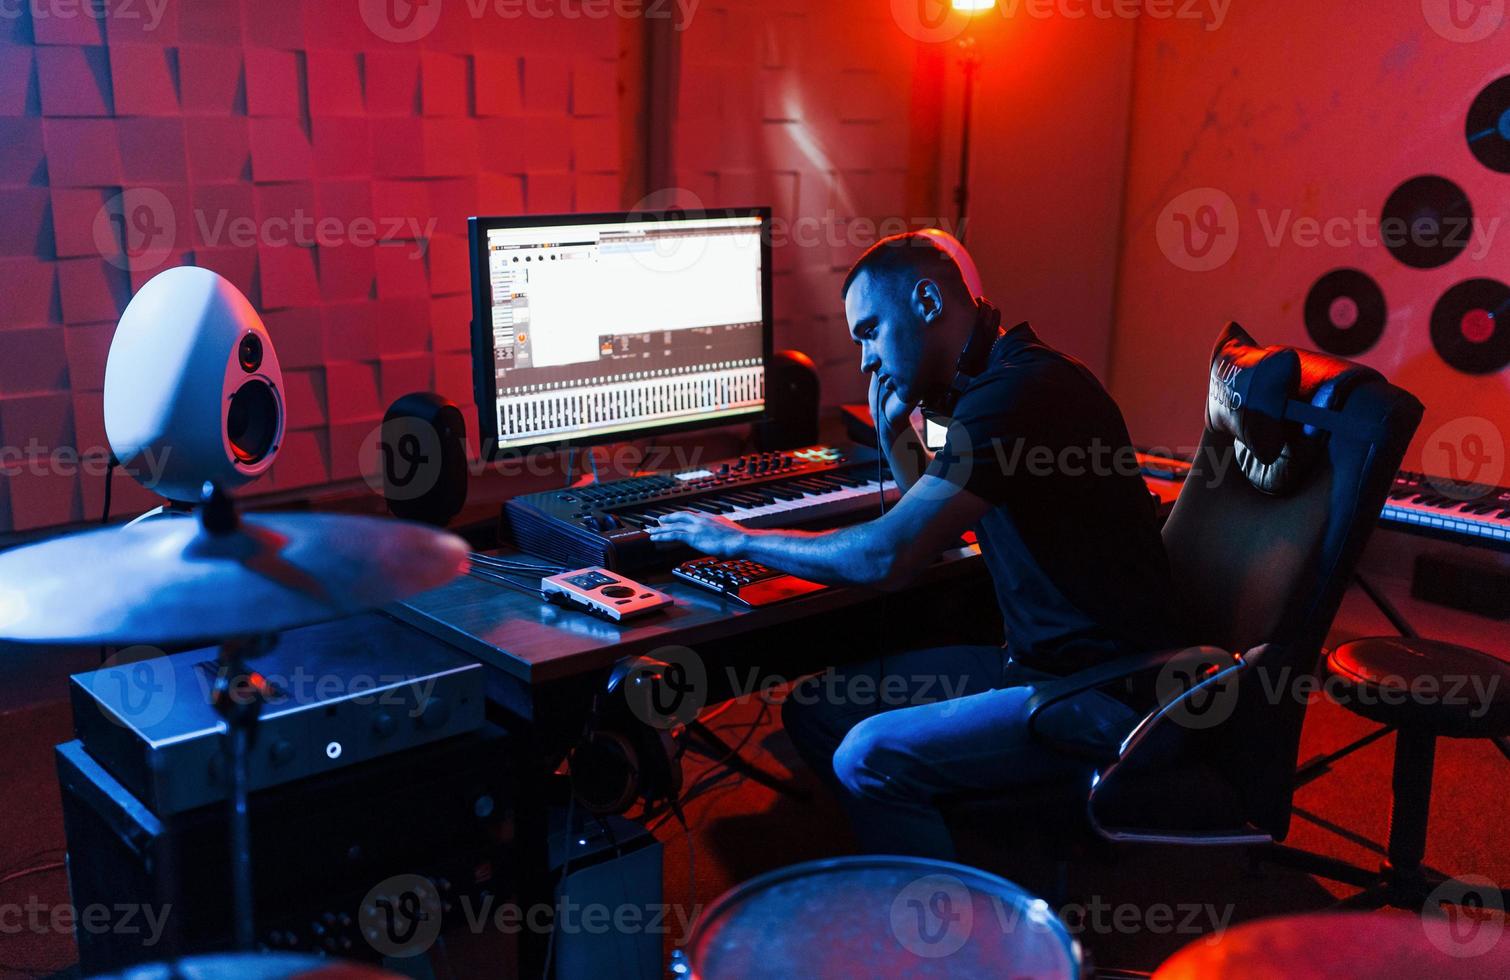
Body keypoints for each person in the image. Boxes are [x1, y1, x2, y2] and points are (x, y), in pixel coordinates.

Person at [648, 231, 1183, 859]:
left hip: (1103, 693)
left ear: (928, 300)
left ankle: (948, 931)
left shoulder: (1017, 396)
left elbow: (887, 555)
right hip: (1042, 665)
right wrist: (895, 428)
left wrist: (737, 539)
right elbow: (943, 519)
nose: (867, 360)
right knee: (819, 711)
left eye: (871, 331)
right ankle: (963, 849)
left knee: (868, 756)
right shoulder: (1006, 376)